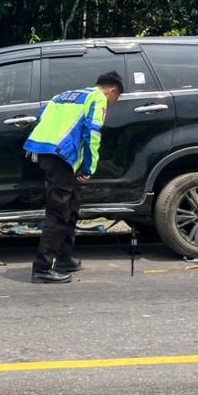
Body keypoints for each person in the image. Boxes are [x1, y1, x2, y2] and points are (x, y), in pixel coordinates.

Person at [22, 72, 124, 283]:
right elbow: (93, 133)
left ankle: (64, 258)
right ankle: (42, 268)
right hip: (61, 156)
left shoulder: (65, 95)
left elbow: (42, 117)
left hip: (44, 151)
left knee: (72, 205)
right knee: (58, 213)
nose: (112, 104)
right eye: (116, 99)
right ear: (113, 91)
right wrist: (88, 168)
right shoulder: (97, 99)